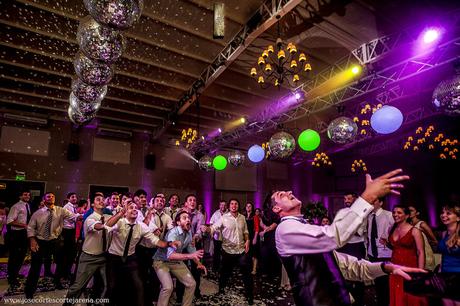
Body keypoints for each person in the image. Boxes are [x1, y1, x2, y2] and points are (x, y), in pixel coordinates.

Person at [271, 169, 417, 306]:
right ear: (276, 208)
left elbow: (347, 266)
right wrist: (368, 197)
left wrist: (385, 267)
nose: (289, 191)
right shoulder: (284, 228)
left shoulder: (306, 228)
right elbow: (333, 236)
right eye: (281, 194)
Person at [106, 200, 179, 306]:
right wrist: (120, 213)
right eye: (131, 207)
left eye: (136, 207)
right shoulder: (120, 221)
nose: (134, 209)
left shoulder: (141, 226)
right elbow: (107, 225)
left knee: (138, 285)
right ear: (126, 212)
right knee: (112, 286)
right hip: (114, 258)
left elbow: (155, 241)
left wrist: (169, 243)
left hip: (130, 258)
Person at [63, 193, 122, 305]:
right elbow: (99, 226)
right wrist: (120, 214)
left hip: (105, 257)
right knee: (78, 286)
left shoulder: (109, 216)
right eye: (98, 199)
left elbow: (120, 225)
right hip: (89, 257)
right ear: (93, 204)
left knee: (108, 285)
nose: (101, 201)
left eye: (103, 199)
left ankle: (97, 302)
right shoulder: (90, 218)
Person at [25, 192, 81, 298]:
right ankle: (29, 290)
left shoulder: (60, 210)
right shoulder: (37, 213)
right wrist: (32, 240)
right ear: (44, 199)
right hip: (40, 241)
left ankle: (57, 281)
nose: (51, 198)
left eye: (52, 196)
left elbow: (74, 216)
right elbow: (30, 228)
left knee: (60, 262)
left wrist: (85, 216)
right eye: (48, 196)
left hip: (54, 241)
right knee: (35, 266)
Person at [202, 198, 254, 305]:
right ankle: (221, 289)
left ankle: (249, 296)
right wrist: (207, 229)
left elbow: (245, 231)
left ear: (238, 206)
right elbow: (213, 227)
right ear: (229, 206)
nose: (234, 206)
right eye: (232, 204)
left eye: (236, 204)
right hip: (228, 251)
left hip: (241, 251)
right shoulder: (223, 218)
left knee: (247, 274)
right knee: (225, 273)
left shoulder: (242, 217)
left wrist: (248, 240)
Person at [153, 210, 207, 306]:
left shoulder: (189, 232)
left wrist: (199, 263)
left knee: (191, 284)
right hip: (161, 261)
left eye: (189, 218)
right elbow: (170, 255)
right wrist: (190, 256)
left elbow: (191, 251)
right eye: (184, 218)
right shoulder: (173, 233)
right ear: (178, 222)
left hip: (176, 262)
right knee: (168, 287)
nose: (188, 220)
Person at [387, 205, 427, 306]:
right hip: (395, 267)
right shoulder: (392, 229)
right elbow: (397, 248)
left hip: (410, 266)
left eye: (399, 212)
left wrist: (420, 273)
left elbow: (420, 252)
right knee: (397, 294)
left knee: (410, 296)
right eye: (394, 212)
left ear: (407, 215)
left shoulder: (414, 231)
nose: (395, 214)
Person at [336, 192, 366, 306]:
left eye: (349, 198)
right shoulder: (343, 212)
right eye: (345, 198)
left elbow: (358, 232)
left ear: (355, 199)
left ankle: (359, 300)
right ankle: (348, 299)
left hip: (356, 246)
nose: (346, 200)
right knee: (344, 272)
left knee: (357, 272)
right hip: (344, 245)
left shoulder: (362, 212)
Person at [367, 196, 394, 306]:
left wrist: (389, 240)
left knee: (385, 284)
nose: (372, 202)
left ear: (381, 203)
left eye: (375, 201)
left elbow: (397, 230)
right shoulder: (369, 216)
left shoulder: (389, 215)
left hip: (385, 253)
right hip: (372, 253)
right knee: (377, 282)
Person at [6, 190, 31, 293]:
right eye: (25, 194)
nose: (27, 196)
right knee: (14, 256)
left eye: (29, 195)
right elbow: (10, 221)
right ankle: (11, 277)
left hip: (24, 234)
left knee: (21, 255)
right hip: (17, 234)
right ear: (20, 196)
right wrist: (25, 225)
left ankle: (15, 273)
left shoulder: (27, 205)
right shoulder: (16, 206)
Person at [408, 205, 437, 271]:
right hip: (414, 255)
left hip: (425, 253)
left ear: (417, 213)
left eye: (411, 210)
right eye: (408, 210)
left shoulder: (422, 224)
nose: (409, 212)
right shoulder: (408, 224)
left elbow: (434, 240)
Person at [209, 200, 227, 274]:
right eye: (221, 205)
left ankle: (224, 268)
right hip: (217, 236)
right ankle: (215, 268)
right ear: (219, 206)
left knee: (225, 253)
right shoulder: (216, 214)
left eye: (224, 205)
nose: (223, 206)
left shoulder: (229, 213)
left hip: (227, 237)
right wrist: (212, 233)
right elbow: (211, 223)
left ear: (226, 206)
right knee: (216, 253)